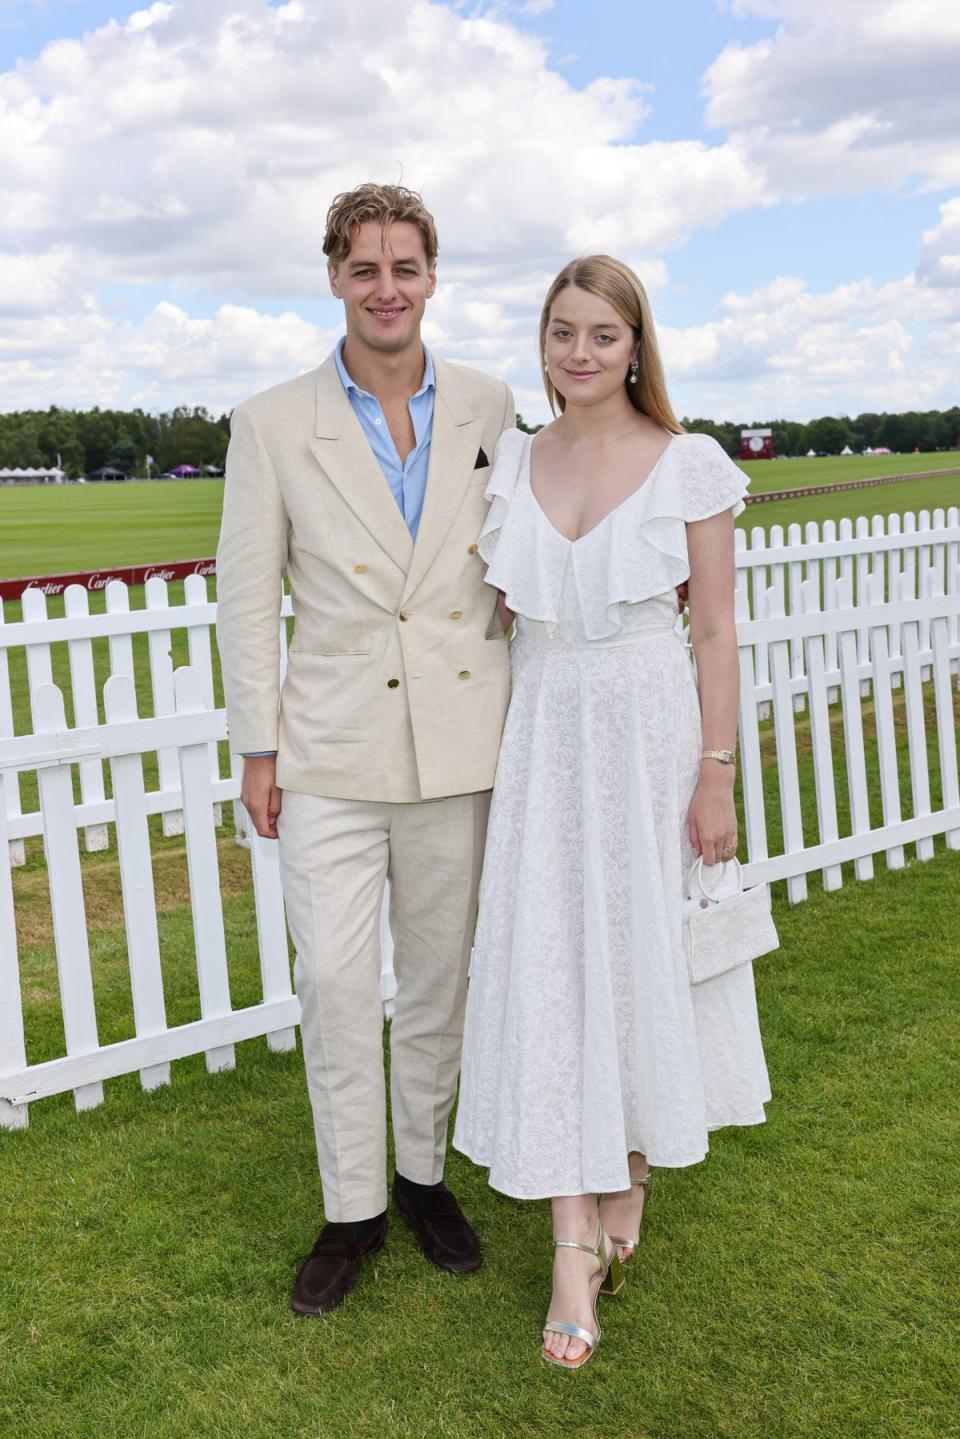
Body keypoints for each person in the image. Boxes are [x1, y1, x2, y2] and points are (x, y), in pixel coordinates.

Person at [453, 255, 770, 1368]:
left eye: (600, 334)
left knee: (633, 958)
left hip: (649, 735)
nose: (577, 353)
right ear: (540, 343)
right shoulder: (516, 461)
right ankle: (570, 1242)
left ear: (638, 346)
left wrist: (716, 769)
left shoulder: (687, 465)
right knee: (552, 964)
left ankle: (626, 1169)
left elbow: (718, 631)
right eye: (560, 332)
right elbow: (487, 615)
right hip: (545, 736)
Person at [216, 183, 515, 1315]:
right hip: (329, 747)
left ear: (433, 276)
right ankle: (353, 1209)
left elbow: (528, 553)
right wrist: (260, 748)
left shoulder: (491, 406)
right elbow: (246, 599)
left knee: (438, 980)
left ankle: (424, 1176)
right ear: (335, 277)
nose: (386, 287)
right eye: (364, 267)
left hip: (460, 741)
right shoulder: (272, 421)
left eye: (405, 266)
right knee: (338, 979)